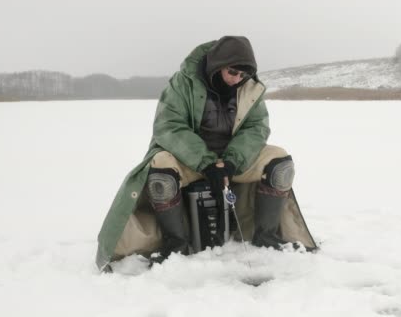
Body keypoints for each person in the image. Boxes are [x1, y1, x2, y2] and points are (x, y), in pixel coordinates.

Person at [95, 36, 316, 271]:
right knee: (161, 171)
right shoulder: (182, 83)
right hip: (189, 159)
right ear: (218, 64)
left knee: (279, 163)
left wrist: (232, 161)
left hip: (233, 160)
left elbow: (256, 128)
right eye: (233, 72)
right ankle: (176, 245)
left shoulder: (249, 89)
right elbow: (168, 126)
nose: (237, 80)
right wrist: (206, 163)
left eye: (243, 75)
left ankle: (266, 239)